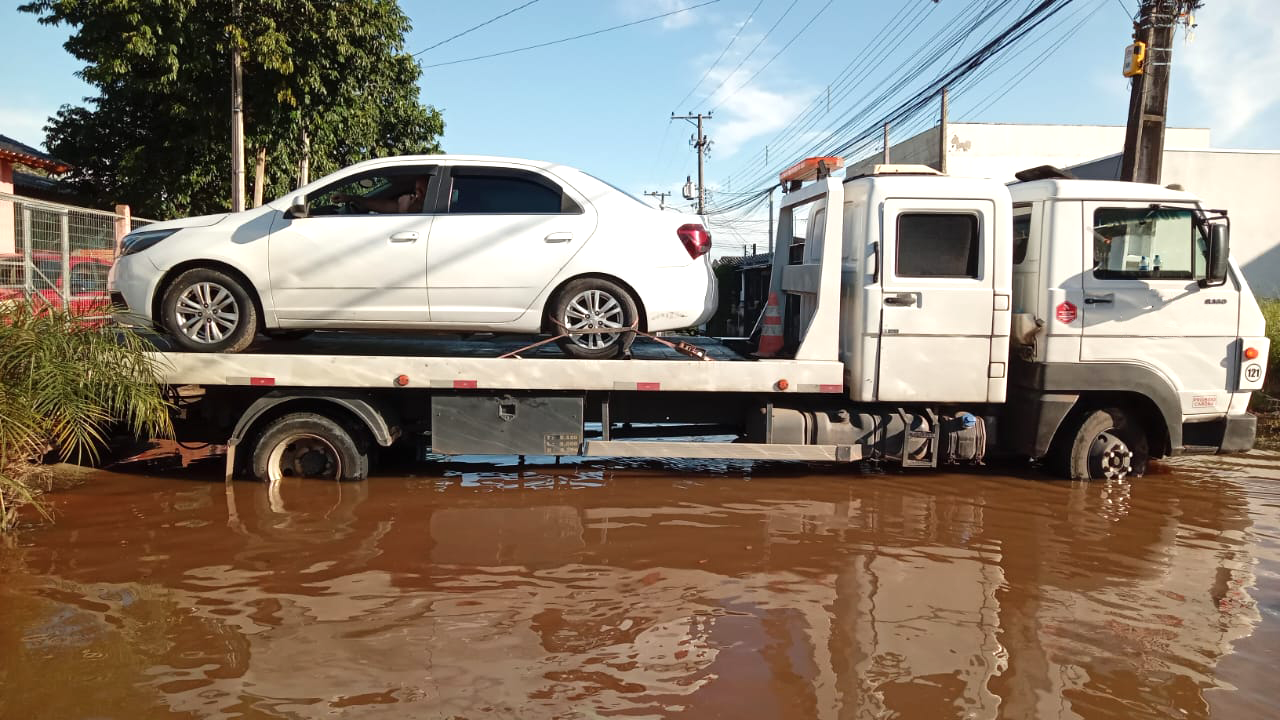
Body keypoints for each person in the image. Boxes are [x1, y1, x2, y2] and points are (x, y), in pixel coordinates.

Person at [334, 175, 429, 214]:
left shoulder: (437, 210)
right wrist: (350, 197)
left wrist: (404, 210)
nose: (417, 193)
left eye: (421, 190)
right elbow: (380, 205)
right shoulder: (413, 203)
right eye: (416, 189)